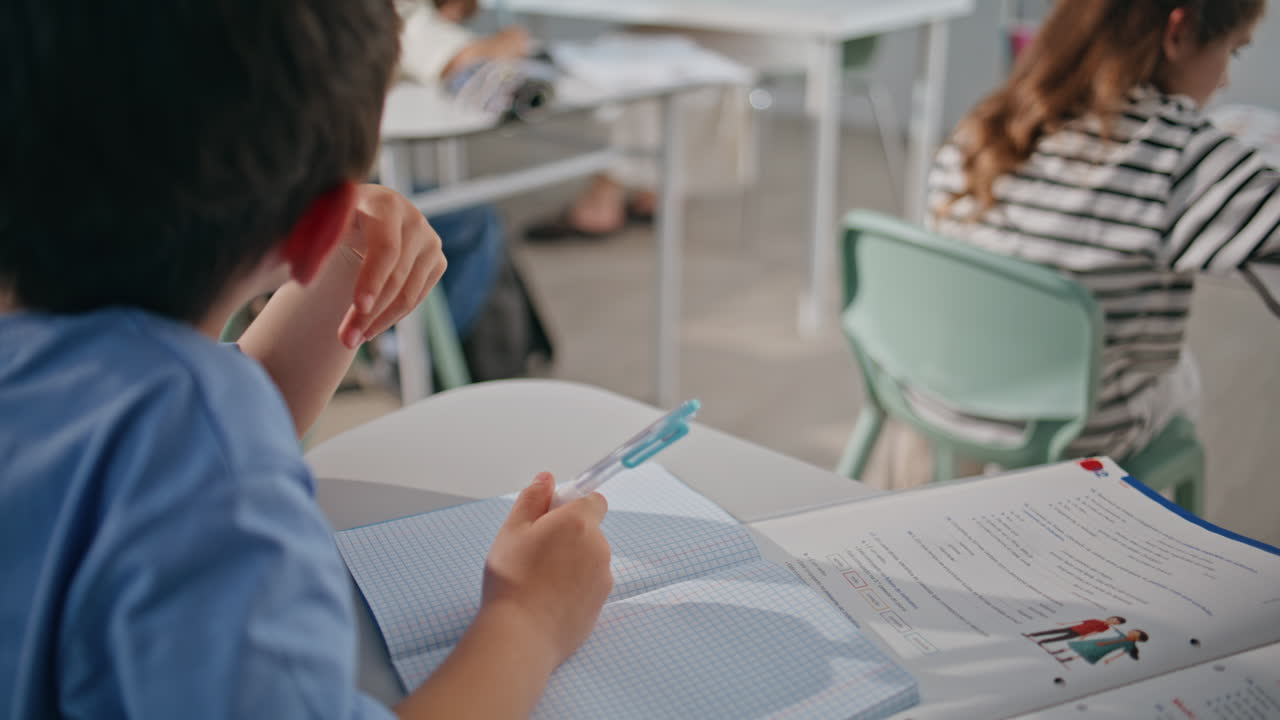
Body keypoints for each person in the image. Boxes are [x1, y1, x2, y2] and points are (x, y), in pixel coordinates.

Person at [0, 2, 612, 719]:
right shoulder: (195, 455)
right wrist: (529, 619)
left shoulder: (123, 399)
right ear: (319, 224)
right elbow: (195, 442)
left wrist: (334, 257)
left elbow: (182, 418)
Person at [898, 0, 1278, 484]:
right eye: (1233, 51)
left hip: (941, 410)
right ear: (1177, 32)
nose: (1224, 80)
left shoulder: (983, 125)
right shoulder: (1188, 156)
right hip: (1073, 441)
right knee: (1180, 372)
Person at [1066, 630, 1151, 665]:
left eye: (1135, 634)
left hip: (1105, 647)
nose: (1131, 632)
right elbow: (1118, 631)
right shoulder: (1123, 636)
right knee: (1084, 646)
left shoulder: (1130, 644)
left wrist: (1111, 659)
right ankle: (1063, 652)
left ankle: (1068, 659)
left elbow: (1122, 652)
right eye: (1133, 631)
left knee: (1087, 653)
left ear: (1138, 639)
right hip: (1100, 642)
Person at [1024, 617, 1127, 646]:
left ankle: (1042, 642)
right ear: (1110, 618)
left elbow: (1094, 633)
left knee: (1060, 638)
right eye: (1113, 620)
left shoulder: (1106, 628)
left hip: (1079, 633)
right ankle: (1032, 634)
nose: (1113, 622)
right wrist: (1065, 623)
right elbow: (1080, 621)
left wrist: (1085, 637)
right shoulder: (1096, 620)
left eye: (1116, 623)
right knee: (1052, 631)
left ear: (1116, 625)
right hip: (1073, 628)